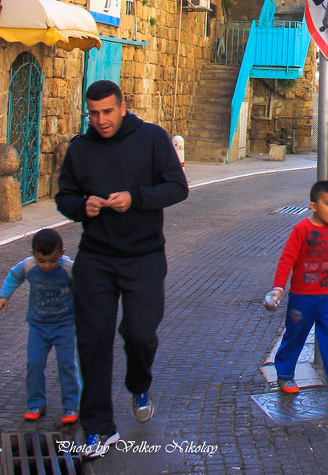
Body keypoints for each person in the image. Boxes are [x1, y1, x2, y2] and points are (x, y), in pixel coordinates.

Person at [56, 80, 188, 459]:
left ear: (123, 107)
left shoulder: (152, 139)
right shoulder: (80, 149)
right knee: (93, 341)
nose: (100, 120)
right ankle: (98, 428)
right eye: (93, 113)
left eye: (107, 112)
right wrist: (83, 206)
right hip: (95, 258)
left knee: (140, 334)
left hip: (144, 256)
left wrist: (136, 198)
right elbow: (64, 196)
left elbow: (177, 188)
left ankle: (139, 382)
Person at [265, 179, 328, 395]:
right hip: (302, 297)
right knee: (295, 335)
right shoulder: (301, 229)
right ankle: (285, 374)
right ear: (314, 206)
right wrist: (278, 287)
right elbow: (287, 259)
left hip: (327, 297)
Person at [0, 228, 79, 425]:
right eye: (41, 261)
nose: (46, 266)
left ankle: (71, 405)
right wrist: (4, 295)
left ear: (62, 253)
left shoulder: (69, 268)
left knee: (67, 365)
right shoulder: (28, 266)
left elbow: (86, 283)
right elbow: (13, 276)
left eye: (52, 261)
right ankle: (35, 402)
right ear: (33, 254)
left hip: (64, 326)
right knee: (34, 364)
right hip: (38, 327)